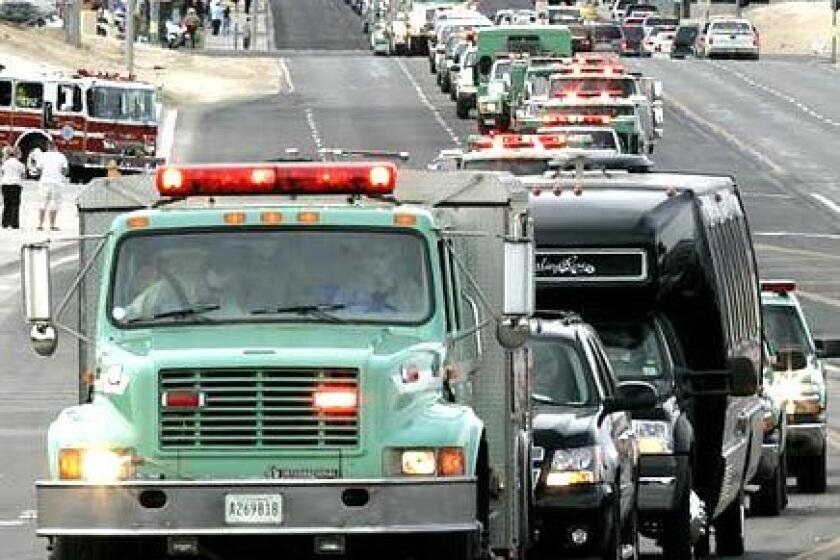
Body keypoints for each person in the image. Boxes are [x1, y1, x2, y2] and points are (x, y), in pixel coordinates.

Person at [33, 143, 69, 231]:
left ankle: (40, 225)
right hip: (56, 182)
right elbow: (65, 171)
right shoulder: (61, 156)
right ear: (56, 147)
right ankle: (52, 225)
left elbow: (38, 170)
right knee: (54, 204)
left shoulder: (42, 156)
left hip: (44, 182)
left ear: (48, 147)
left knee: (42, 203)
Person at [1, 146, 25, 229]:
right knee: (15, 204)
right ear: (17, 154)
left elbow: (3, 172)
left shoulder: (5, 162)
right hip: (16, 184)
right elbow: (23, 175)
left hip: (5, 184)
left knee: (6, 203)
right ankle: (14, 223)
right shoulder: (20, 164)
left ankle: (5, 222)